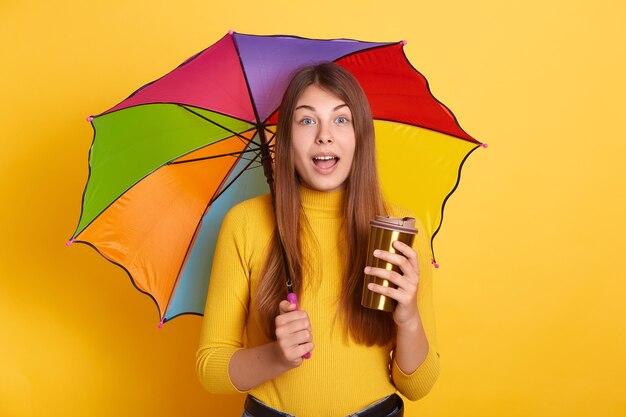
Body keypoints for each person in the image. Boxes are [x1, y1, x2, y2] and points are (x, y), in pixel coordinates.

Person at [196, 62, 439, 417]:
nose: (324, 135)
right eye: (307, 120)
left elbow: (419, 386)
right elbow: (210, 367)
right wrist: (276, 356)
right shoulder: (245, 223)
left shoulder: (398, 231)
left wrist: (409, 318)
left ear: (360, 136)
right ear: (287, 138)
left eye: (341, 119)